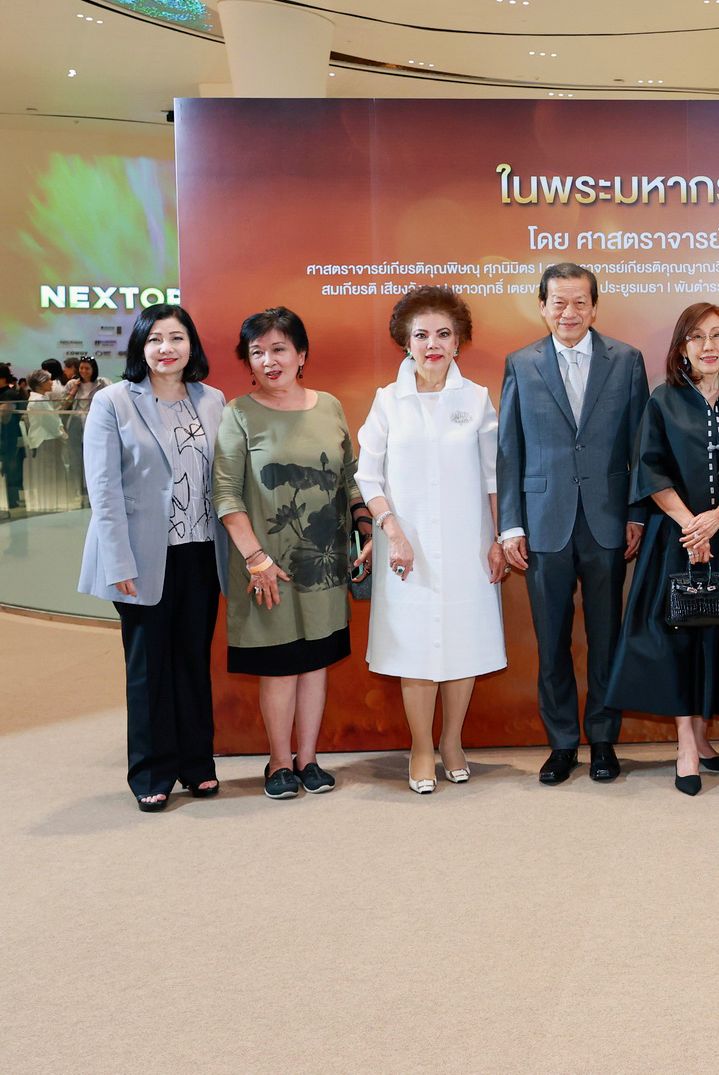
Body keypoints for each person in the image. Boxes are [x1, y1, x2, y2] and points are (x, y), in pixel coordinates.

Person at [606, 303, 719, 796]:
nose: (708, 346)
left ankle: (703, 738)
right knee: (678, 637)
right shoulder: (663, 399)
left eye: (718, 335)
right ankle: (684, 743)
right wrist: (690, 527)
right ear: (682, 347)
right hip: (674, 541)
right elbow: (650, 468)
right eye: (697, 337)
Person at [498, 263, 648, 787]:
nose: (569, 312)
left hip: (608, 521)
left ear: (594, 306)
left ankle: (604, 739)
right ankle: (562, 743)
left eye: (579, 302)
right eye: (558, 302)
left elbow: (639, 446)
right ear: (542, 306)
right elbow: (509, 450)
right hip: (543, 524)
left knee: (607, 637)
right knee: (551, 641)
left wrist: (636, 513)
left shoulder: (627, 361)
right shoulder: (521, 363)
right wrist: (510, 525)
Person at [356, 287, 508, 795]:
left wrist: (497, 539)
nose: (433, 344)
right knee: (415, 648)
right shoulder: (386, 401)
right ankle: (421, 747)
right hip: (407, 549)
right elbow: (368, 478)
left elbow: (493, 477)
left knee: (462, 644)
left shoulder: (476, 399)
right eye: (421, 335)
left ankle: (451, 742)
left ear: (458, 341)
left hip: (469, 544)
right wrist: (392, 532)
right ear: (406, 342)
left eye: (443, 334)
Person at [76, 306, 228, 810]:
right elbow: (103, 487)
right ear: (140, 347)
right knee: (148, 668)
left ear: (192, 345)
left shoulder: (213, 400)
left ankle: (196, 765)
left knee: (192, 661)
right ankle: (150, 772)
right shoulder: (113, 401)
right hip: (139, 556)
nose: (167, 348)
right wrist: (117, 561)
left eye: (177, 337)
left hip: (200, 552)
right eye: (156, 339)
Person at [213, 307, 368, 800]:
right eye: (257, 352)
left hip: (323, 561)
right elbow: (225, 494)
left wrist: (364, 529)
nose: (268, 360)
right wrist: (256, 558)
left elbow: (350, 477)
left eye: (279, 349)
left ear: (302, 354)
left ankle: (309, 759)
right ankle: (278, 763)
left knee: (314, 663)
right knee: (279, 666)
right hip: (265, 565)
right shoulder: (239, 412)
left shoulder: (330, 406)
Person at [61, 357, 107, 502]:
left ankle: (94, 488)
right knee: (75, 457)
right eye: (81, 368)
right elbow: (63, 405)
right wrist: (74, 389)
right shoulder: (71, 384)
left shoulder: (102, 383)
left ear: (93, 369)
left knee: (95, 457)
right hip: (75, 422)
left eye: (87, 368)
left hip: (95, 423)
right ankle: (78, 488)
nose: (83, 371)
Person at [22, 369, 67, 510]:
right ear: (40, 383)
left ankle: (52, 502)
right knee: (49, 474)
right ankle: (48, 504)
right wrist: (61, 433)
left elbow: (54, 418)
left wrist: (60, 428)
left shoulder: (43, 398)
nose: (51, 382)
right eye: (48, 380)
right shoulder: (37, 400)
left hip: (49, 438)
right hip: (45, 440)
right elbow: (50, 421)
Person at [0, 364, 25, 516]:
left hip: (8, 437)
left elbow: (4, 416)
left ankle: (11, 501)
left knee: (10, 469)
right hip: (4, 437)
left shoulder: (9, 393)